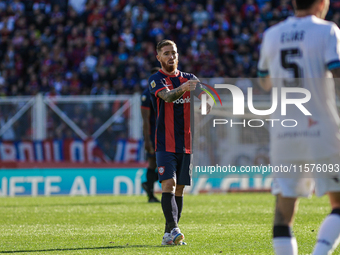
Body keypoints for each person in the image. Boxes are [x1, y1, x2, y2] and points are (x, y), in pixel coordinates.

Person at [258, 0, 340, 254]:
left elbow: (264, 82)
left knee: (284, 211)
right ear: (322, 3)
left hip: (285, 133)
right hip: (321, 128)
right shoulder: (327, 31)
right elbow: (336, 71)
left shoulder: (272, 35)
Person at [149, 39, 212, 245]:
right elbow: (167, 97)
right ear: (158, 57)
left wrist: (206, 103)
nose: (171, 57)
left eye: (173, 53)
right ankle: (175, 229)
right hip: (165, 142)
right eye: (166, 53)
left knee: (180, 188)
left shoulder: (190, 78)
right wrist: (185, 88)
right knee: (169, 183)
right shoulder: (156, 80)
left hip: (186, 142)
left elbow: (206, 98)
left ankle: (169, 234)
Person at [141, 67, 161, 203]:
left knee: (166, 163)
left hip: (165, 132)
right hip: (154, 134)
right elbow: (145, 120)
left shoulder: (164, 92)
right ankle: (150, 195)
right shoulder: (147, 95)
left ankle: (148, 184)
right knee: (153, 162)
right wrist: (147, 140)